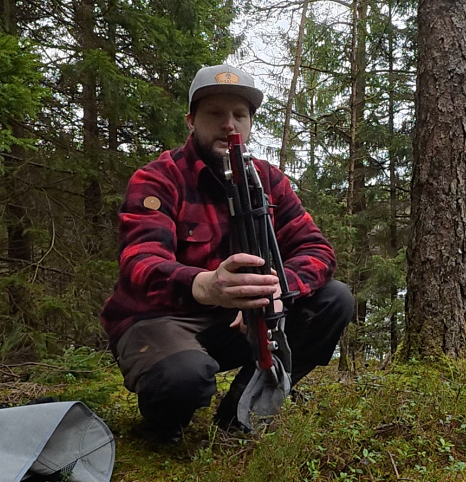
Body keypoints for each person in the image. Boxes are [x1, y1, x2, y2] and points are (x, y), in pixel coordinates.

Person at [100, 64, 354, 443]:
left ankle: (239, 415)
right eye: (215, 114)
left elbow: (315, 249)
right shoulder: (157, 178)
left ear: (250, 123)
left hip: (236, 318)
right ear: (191, 120)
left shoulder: (268, 180)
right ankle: (162, 422)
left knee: (335, 299)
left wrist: (277, 291)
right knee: (184, 380)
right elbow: (140, 261)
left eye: (239, 115)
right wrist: (204, 284)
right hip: (162, 317)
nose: (229, 125)